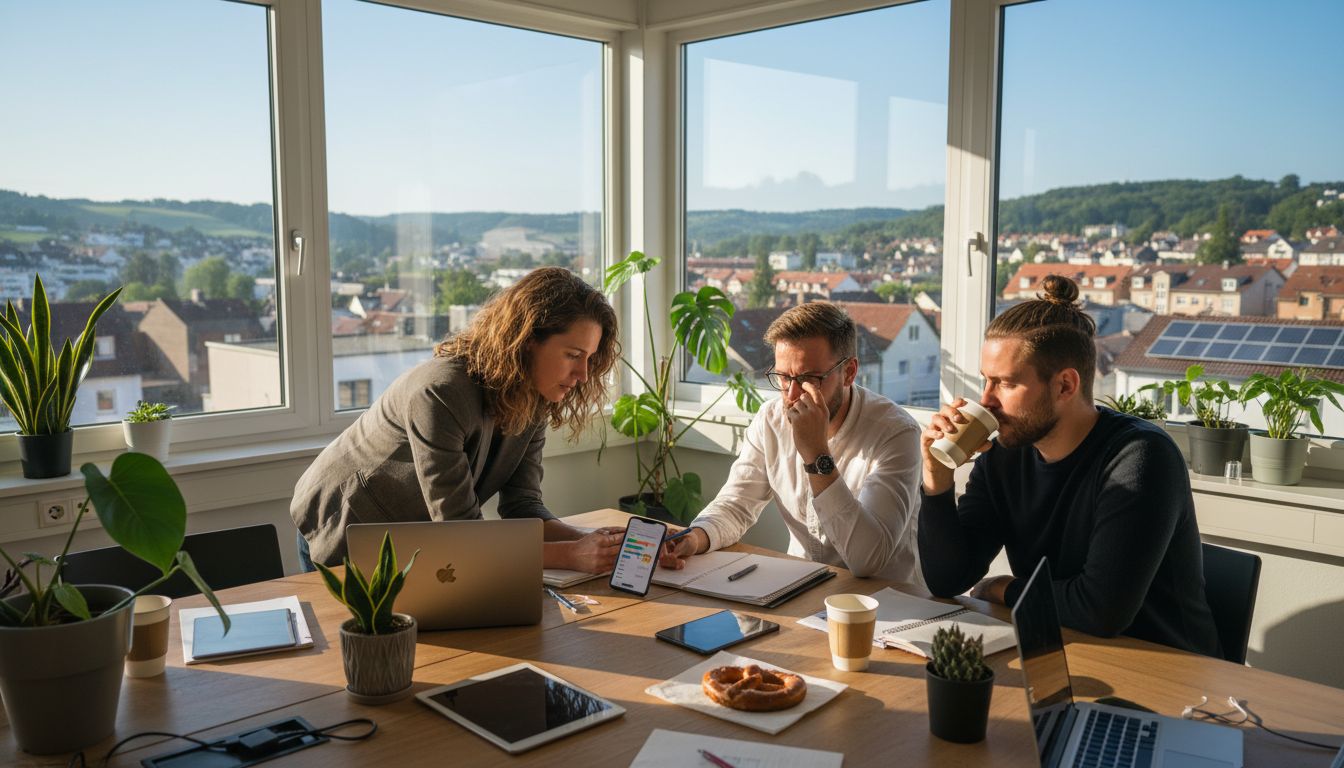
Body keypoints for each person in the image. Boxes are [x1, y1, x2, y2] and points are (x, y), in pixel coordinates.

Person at [917, 275, 1220, 657]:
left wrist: (1002, 588)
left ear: (1064, 385)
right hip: (1062, 650)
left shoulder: (1141, 457)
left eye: (1005, 384)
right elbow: (947, 579)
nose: (987, 400)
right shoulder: (1006, 455)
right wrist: (936, 478)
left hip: (1168, 667)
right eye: (986, 381)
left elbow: (1100, 610)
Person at [291, 267, 626, 572]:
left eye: (589, 358)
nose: (583, 374)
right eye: (573, 355)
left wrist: (595, 542)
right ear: (527, 342)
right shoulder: (440, 392)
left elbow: (523, 506)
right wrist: (570, 554)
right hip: (342, 528)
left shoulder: (534, 396)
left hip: (413, 542)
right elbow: (462, 534)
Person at [661, 301, 924, 582]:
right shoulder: (771, 419)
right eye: (784, 377)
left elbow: (867, 562)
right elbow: (737, 504)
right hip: (801, 585)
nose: (792, 394)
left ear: (849, 372)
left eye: (809, 378)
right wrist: (697, 537)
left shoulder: (896, 433)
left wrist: (817, 456)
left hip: (881, 598)